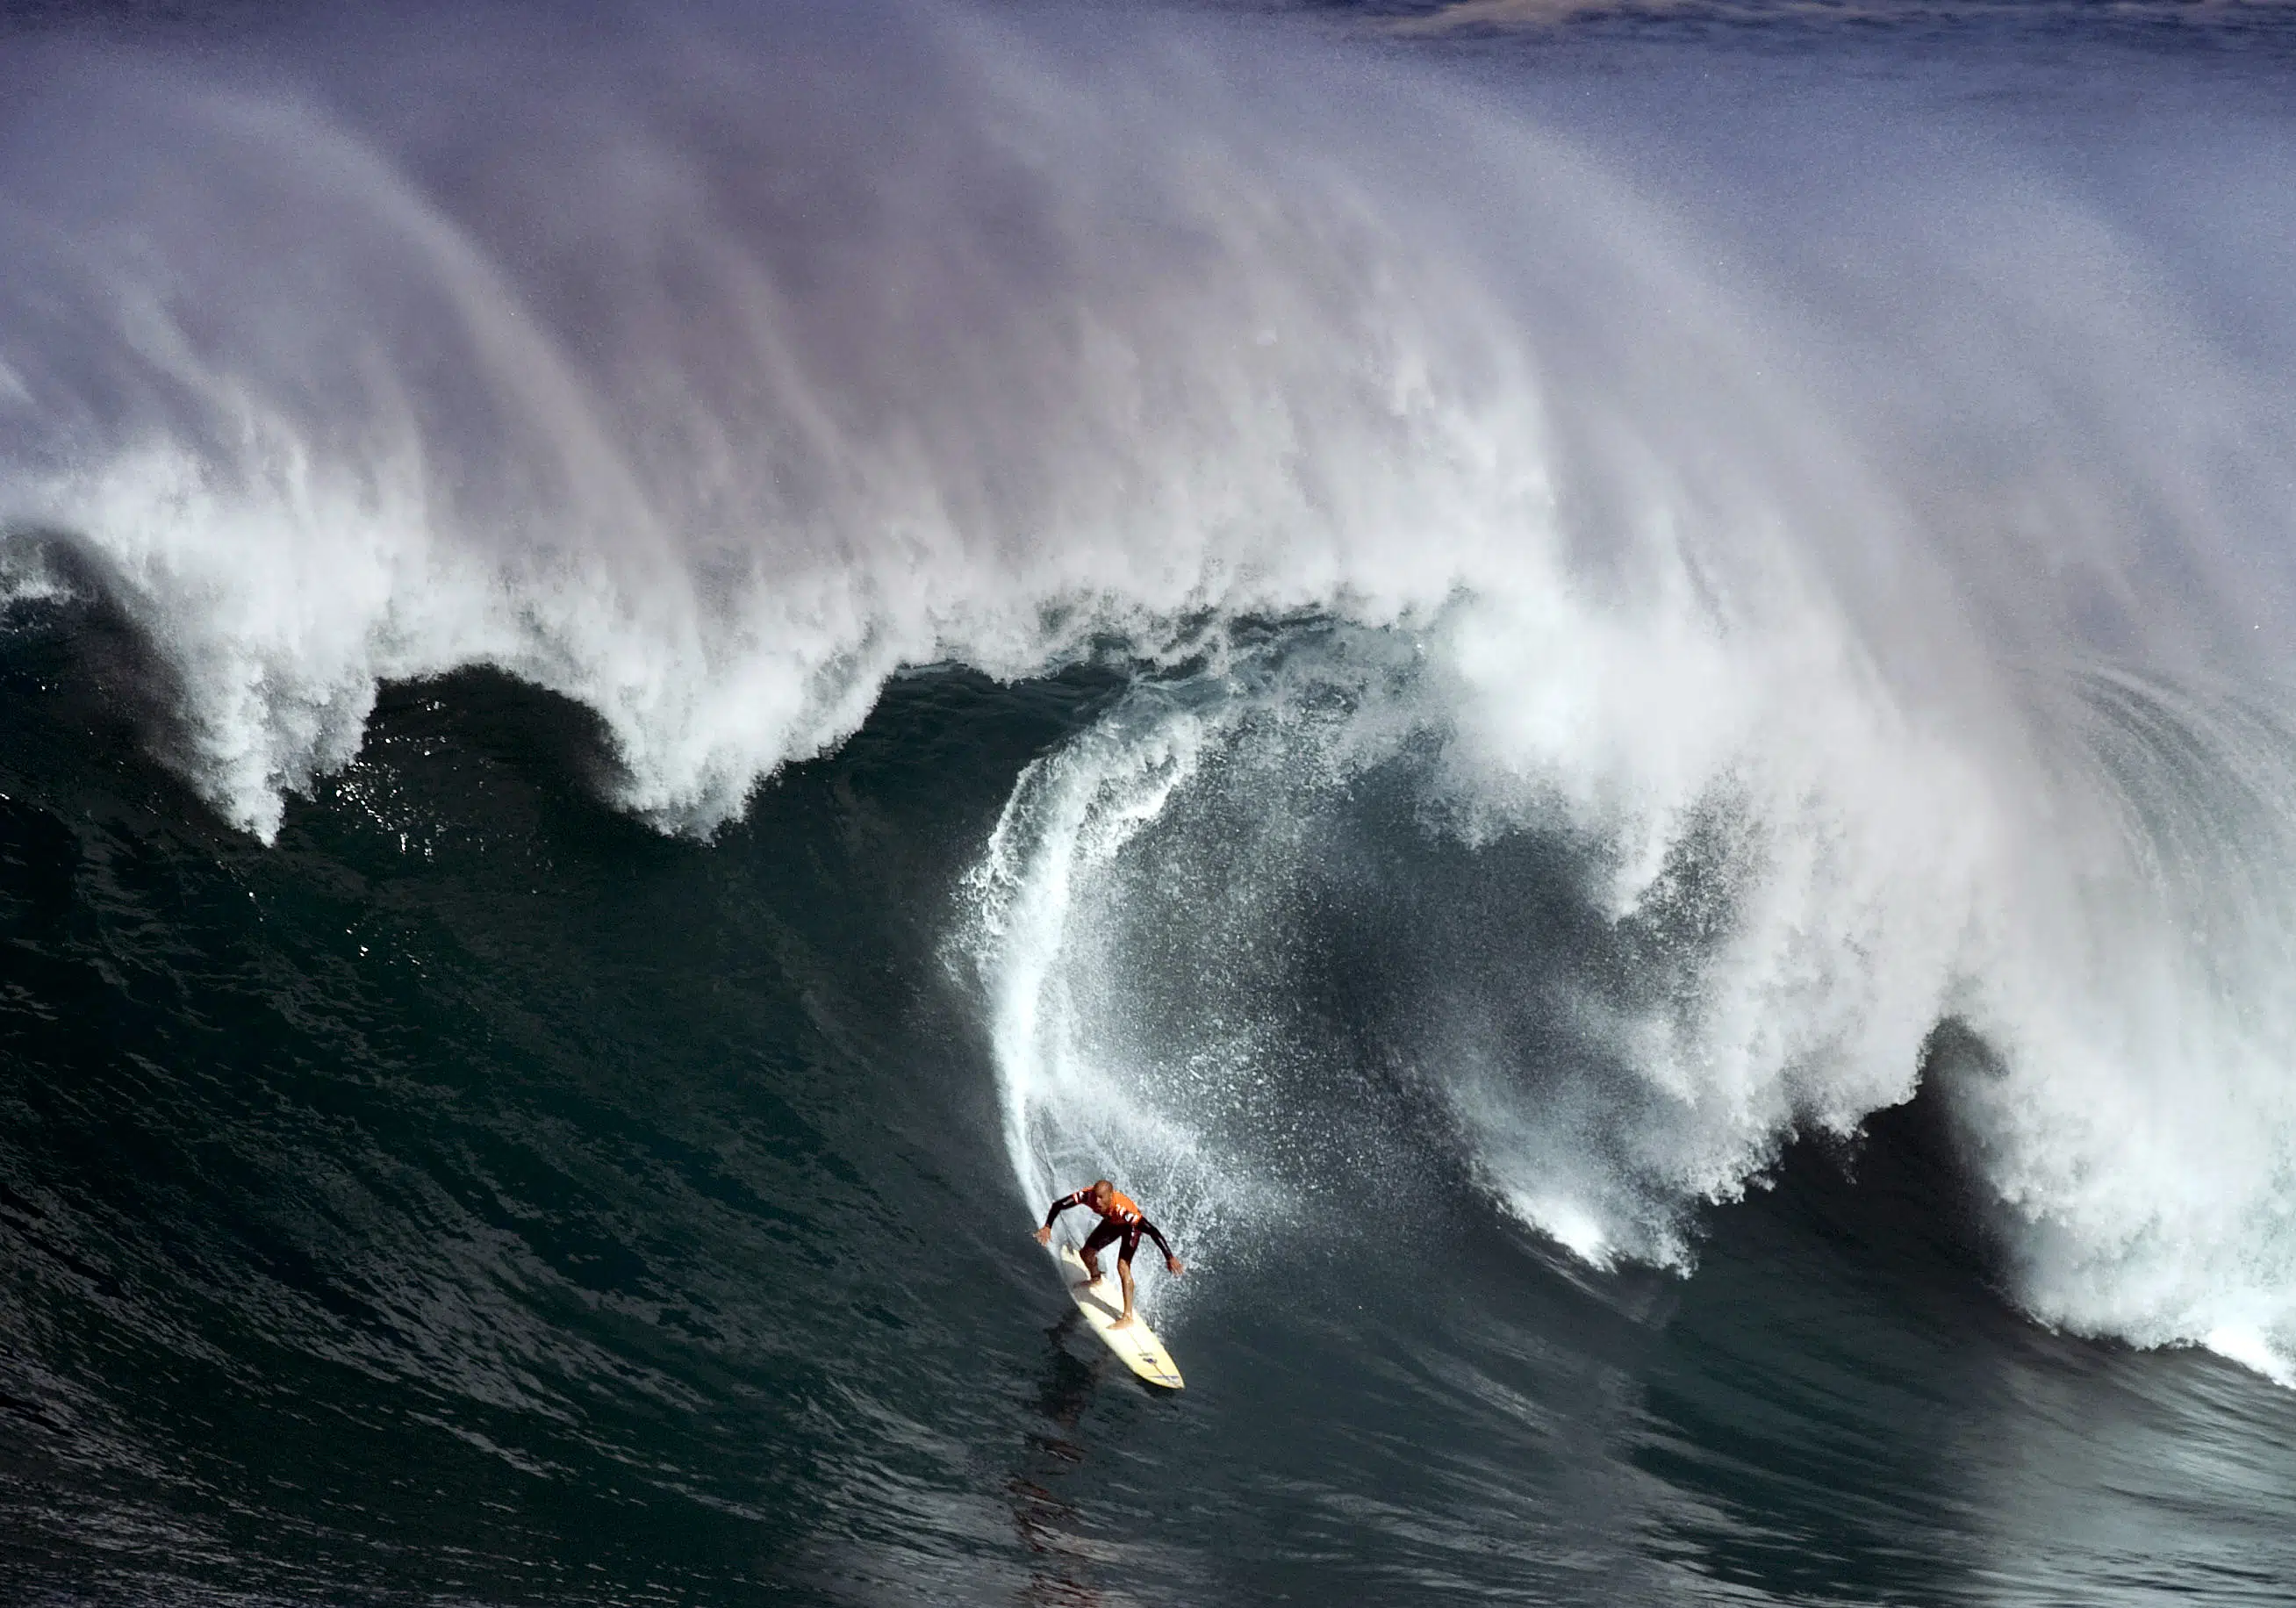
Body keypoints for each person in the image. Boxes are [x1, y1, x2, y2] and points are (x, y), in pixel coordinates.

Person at [1033, 1179, 1184, 1328]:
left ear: (1111, 1196)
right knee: (1086, 1254)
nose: (1097, 1201)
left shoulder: (1124, 1211)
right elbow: (1058, 1205)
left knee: (1123, 1266)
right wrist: (1047, 1226)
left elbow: (1152, 1231)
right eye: (1095, 1196)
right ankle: (1096, 1278)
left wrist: (1169, 1257)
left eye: (1101, 1197)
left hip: (1130, 1228)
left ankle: (1127, 1316)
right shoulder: (1086, 1196)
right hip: (1112, 1223)